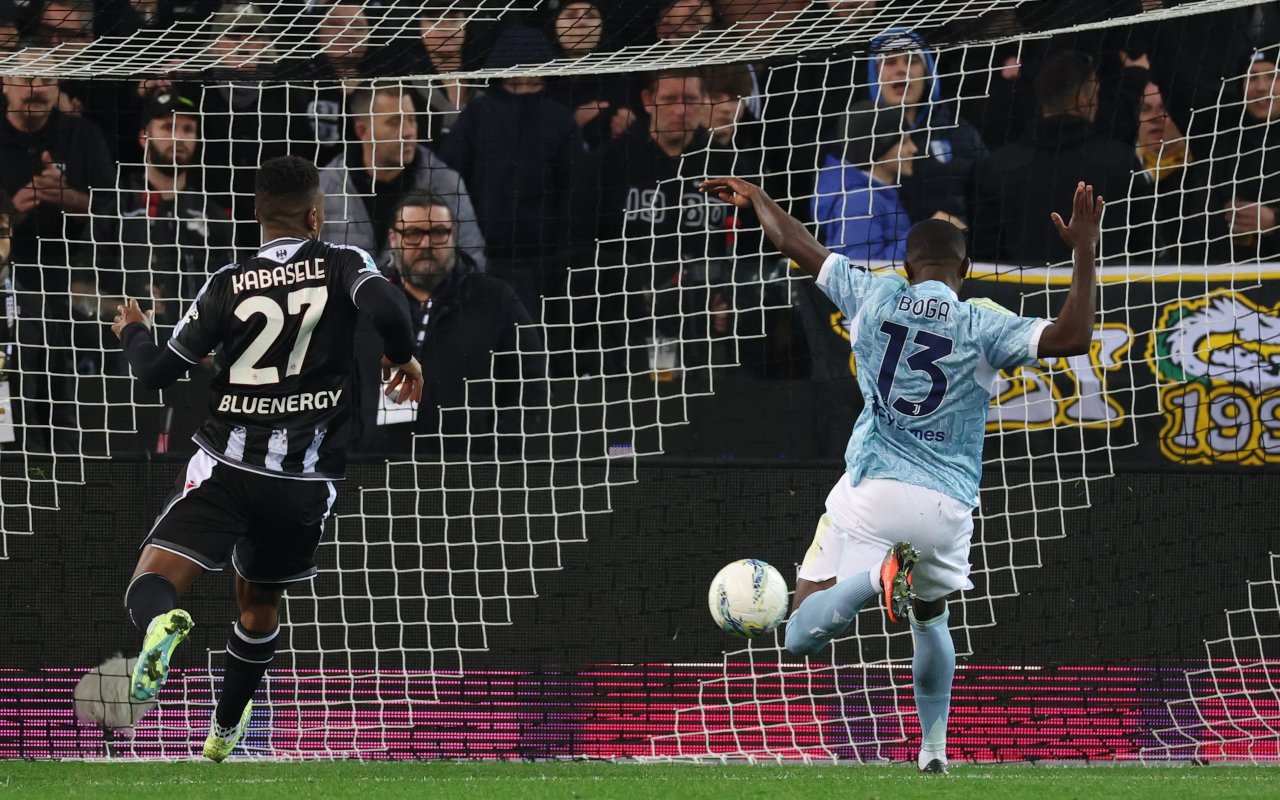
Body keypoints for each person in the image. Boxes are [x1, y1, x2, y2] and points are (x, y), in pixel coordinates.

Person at [699, 174, 1102, 774]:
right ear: (963, 269)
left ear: (908, 266)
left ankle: (874, 581)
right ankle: (934, 753)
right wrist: (1084, 249)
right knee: (931, 616)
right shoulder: (982, 321)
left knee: (799, 635)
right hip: (945, 508)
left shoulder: (874, 295)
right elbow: (1074, 337)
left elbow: (797, 244)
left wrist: (759, 198)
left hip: (872, 488)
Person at [110, 155, 422, 762]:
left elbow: (154, 374)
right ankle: (226, 732)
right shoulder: (342, 263)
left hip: (227, 463)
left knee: (151, 580)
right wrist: (403, 355)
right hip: (303, 481)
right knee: (257, 609)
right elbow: (390, 311)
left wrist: (133, 330)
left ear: (256, 214)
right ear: (316, 214)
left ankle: (158, 628)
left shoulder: (227, 281)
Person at [568, 69, 737, 374]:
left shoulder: (730, 165)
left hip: (704, 325)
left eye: (690, 99)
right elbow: (578, 243)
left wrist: (733, 297)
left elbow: (752, 248)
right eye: (669, 99)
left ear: (703, 102)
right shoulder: (609, 161)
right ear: (647, 100)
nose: (680, 110)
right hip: (622, 324)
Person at [354, 192, 544, 456]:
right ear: (393, 238)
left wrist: (497, 453)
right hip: (379, 472)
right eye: (413, 234)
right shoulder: (367, 303)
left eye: (438, 232)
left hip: (471, 474)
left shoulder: (495, 299)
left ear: (453, 236)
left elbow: (531, 382)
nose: (426, 244)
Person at [74, 92, 235, 338]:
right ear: (144, 137)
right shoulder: (116, 210)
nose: (179, 137)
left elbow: (236, 289)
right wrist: (127, 311)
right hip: (126, 356)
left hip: (199, 354)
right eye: (168, 127)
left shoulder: (213, 216)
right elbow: (78, 291)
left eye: (188, 129)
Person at [438, 65, 584, 318]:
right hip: (483, 257)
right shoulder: (479, 113)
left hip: (544, 263)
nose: (524, 89)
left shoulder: (559, 117)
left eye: (532, 82)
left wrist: (562, 250)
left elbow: (576, 190)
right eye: (517, 82)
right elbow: (449, 178)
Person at [971, 50, 1137, 265]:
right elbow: (1144, 247)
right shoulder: (1121, 162)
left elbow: (983, 255)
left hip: (1018, 295)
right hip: (1107, 294)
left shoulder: (997, 167)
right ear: (1082, 100)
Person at [319, 85, 486, 269]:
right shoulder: (325, 190)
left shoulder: (445, 184)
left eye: (412, 120)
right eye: (395, 122)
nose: (409, 132)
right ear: (362, 131)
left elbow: (473, 260)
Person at [836, 29, 988, 227]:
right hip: (888, 256)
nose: (902, 70)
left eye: (912, 61)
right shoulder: (855, 138)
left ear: (927, 72)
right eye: (890, 62)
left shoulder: (961, 133)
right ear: (874, 75)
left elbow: (988, 205)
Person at [1131, 82, 1232, 265]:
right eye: (1146, 109)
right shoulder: (1126, 174)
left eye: (1165, 108)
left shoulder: (1209, 176)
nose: (1155, 117)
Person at [811, 107, 917, 262]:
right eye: (904, 142)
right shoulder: (860, 201)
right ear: (880, 150)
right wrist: (923, 237)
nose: (914, 149)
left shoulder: (875, 196)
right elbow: (861, 271)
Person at [1213, 46, 1280, 259]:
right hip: (1227, 276)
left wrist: (1274, 222)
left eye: (1273, 77)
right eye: (1252, 78)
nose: (1261, 87)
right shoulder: (1220, 137)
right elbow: (1178, 83)